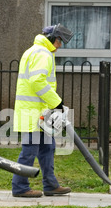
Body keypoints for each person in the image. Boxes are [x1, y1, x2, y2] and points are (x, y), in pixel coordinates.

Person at [12, 24, 74, 198]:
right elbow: (37, 81)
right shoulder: (42, 53)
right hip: (34, 112)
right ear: (51, 38)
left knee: (47, 148)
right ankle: (20, 187)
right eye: (59, 40)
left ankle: (50, 185)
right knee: (29, 151)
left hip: (38, 112)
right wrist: (57, 102)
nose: (60, 45)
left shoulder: (34, 51)